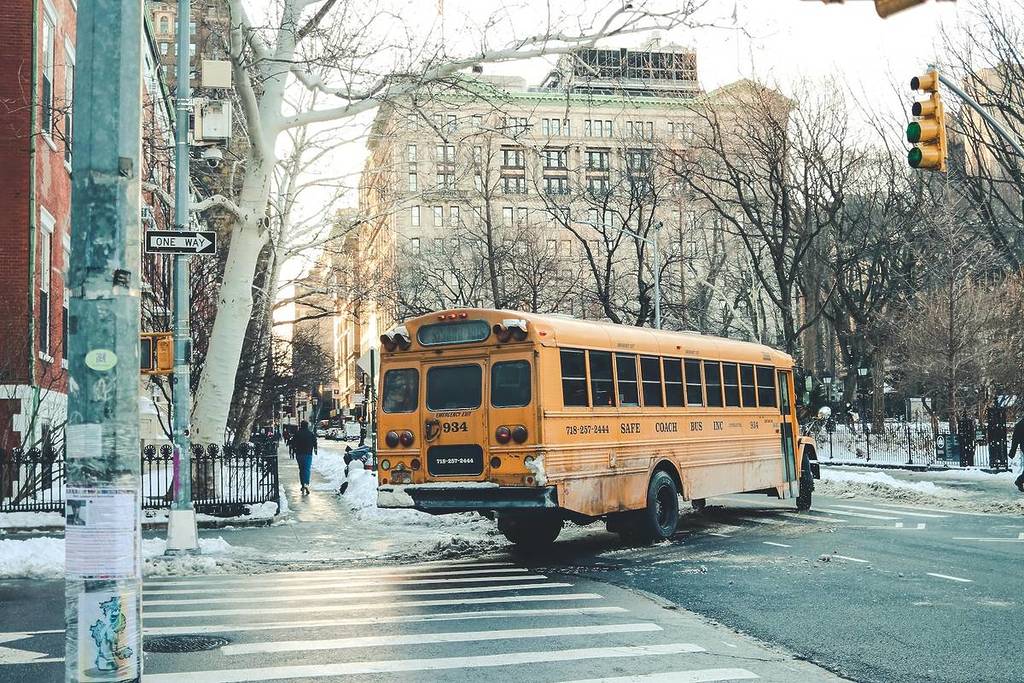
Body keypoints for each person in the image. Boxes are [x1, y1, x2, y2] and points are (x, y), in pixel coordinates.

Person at [291, 420, 318, 495]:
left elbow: (293, 443)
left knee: (301, 469)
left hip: (299, 453)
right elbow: (314, 442)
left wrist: (293, 451)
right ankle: (306, 483)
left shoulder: (297, 433)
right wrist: (315, 449)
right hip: (308, 453)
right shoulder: (310, 434)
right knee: (307, 469)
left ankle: (302, 484)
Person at [1009, 417, 1024, 492]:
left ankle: (1020, 481)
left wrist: (1012, 451)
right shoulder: (1020, 425)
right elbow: (1015, 439)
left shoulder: (1019, 425)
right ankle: (1020, 481)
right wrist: (1012, 451)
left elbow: (1015, 439)